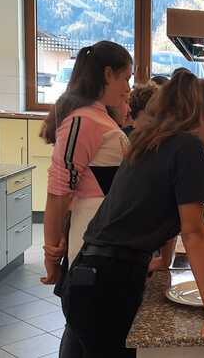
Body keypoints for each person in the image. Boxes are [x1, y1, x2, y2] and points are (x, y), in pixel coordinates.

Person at [49, 69, 204, 356]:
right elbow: (194, 232)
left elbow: (160, 209)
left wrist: (165, 261)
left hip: (86, 277)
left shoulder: (149, 140)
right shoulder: (188, 146)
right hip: (109, 285)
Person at [39, 41, 133, 281]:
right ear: (108, 74)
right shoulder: (83, 121)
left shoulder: (99, 116)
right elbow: (58, 192)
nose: (128, 88)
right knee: (88, 313)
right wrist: (51, 256)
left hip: (107, 239)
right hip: (91, 244)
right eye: (125, 78)